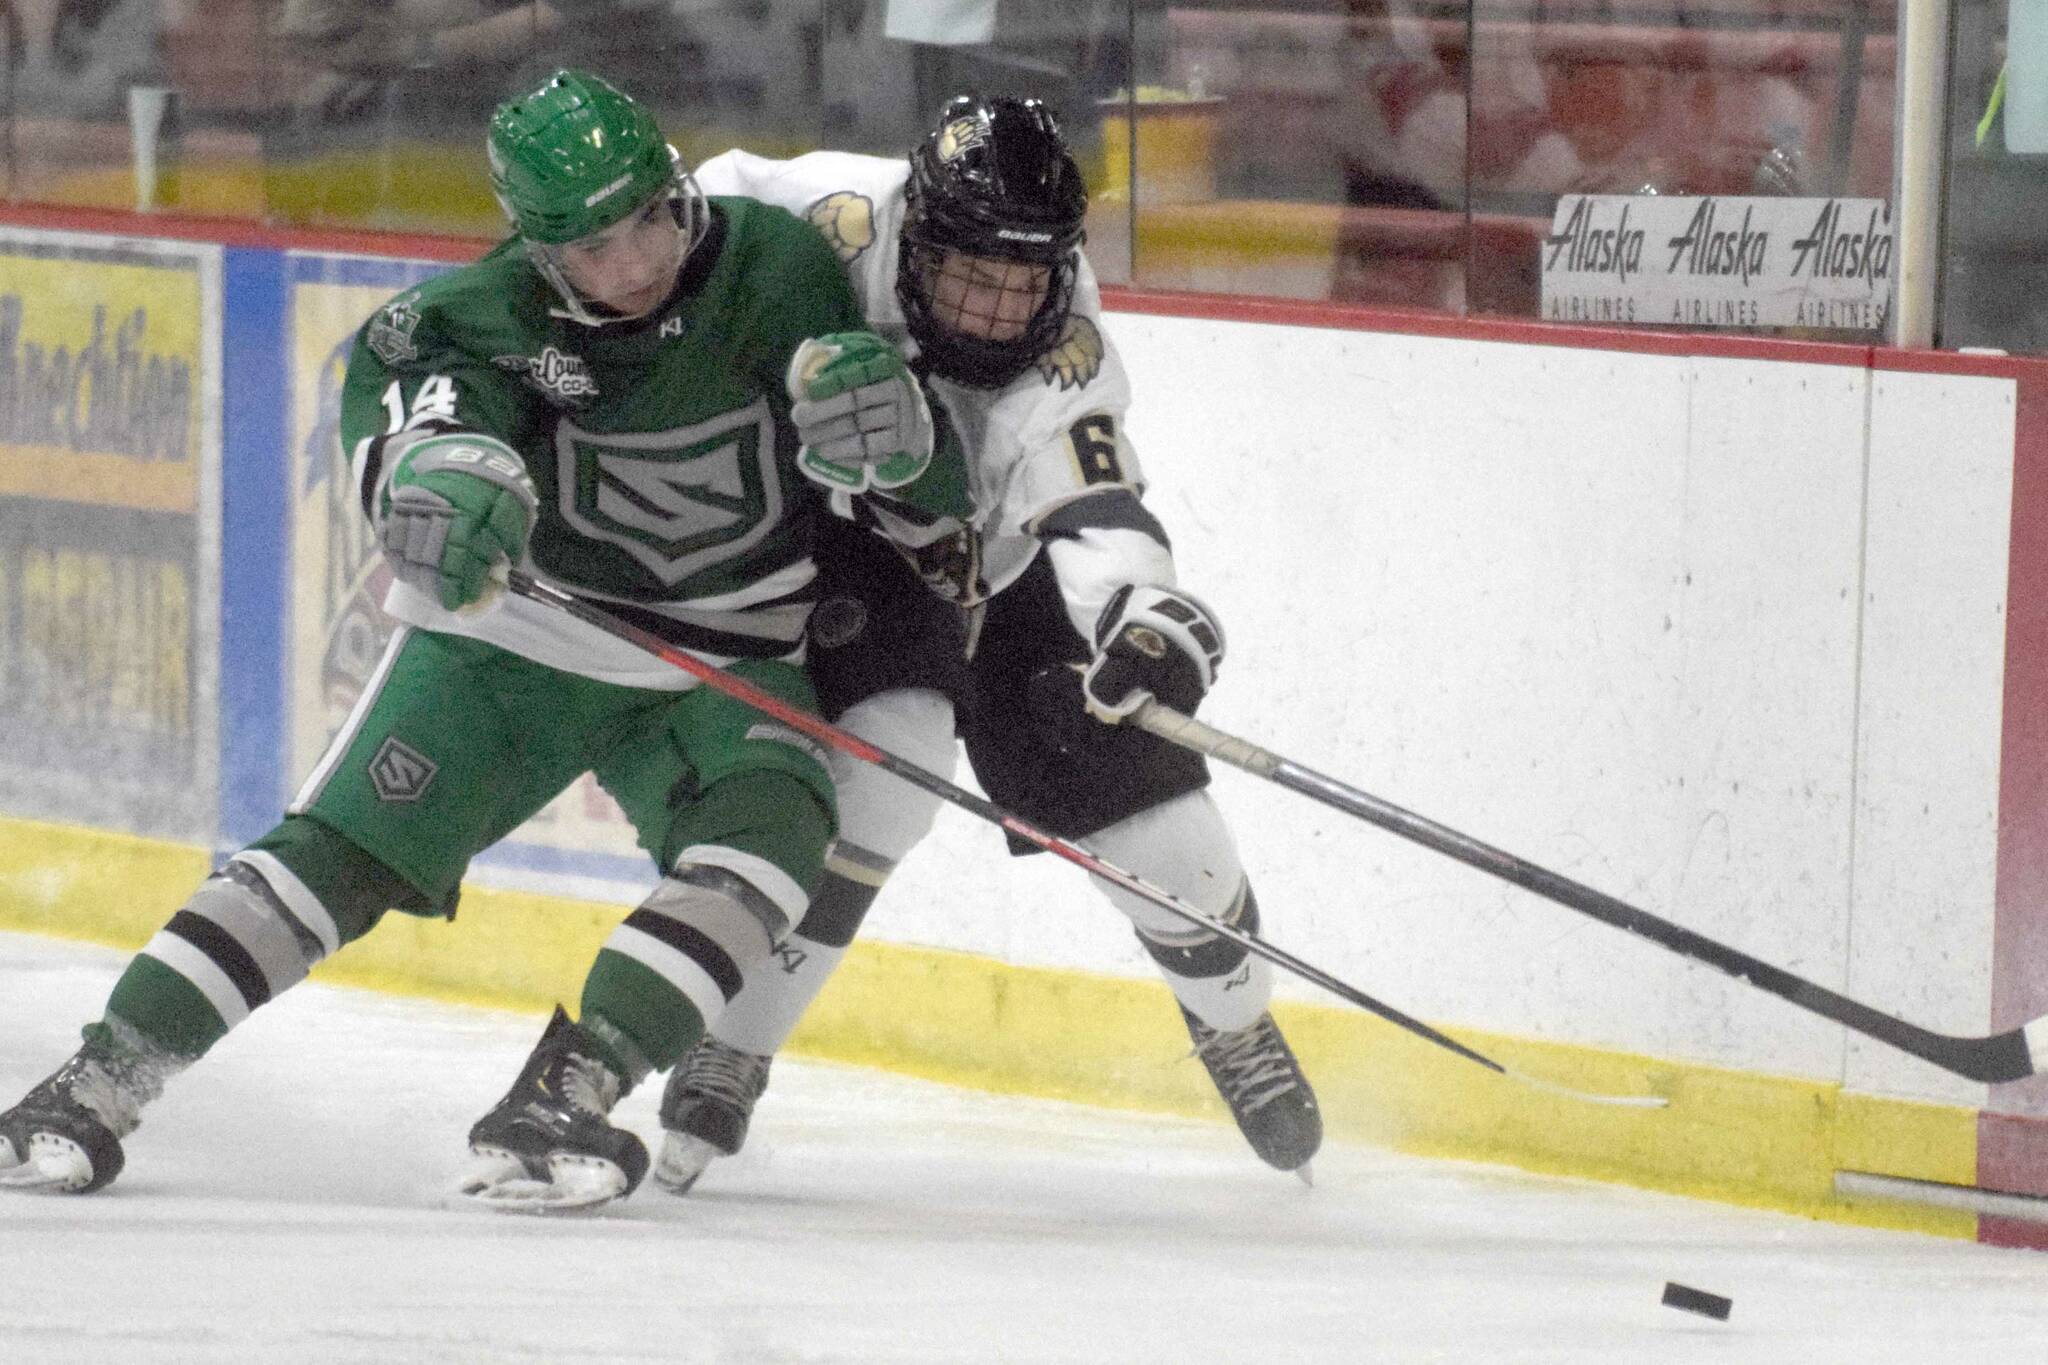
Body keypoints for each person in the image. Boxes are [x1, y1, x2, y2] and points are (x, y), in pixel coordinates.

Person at [0, 68, 963, 1212]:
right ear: (534, 246)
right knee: (339, 855)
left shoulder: (779, 265)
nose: (633, 263)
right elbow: (415, 415)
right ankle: (94, 1082)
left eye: (646, 219)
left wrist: (900, 446)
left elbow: (911, 489)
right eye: (593, 246)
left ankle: (567, 1091)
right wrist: (434, 475)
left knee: (770, 851)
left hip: (731, 655)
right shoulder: (480, 318)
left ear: (673, 186)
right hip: (525, 643)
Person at [656, 95, 1323, 1194]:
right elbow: (671, 205)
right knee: (885, 773)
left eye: (1026, 281)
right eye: (973, 275)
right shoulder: (828, 215)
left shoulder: (1065, 340)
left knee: (1174, 850)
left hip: (1006, 568)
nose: (998, 310)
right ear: (917, 232)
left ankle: (1234, 1023)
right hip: (856, 547)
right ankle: (736, 1041)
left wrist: (1138, 621)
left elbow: (1092, 505)